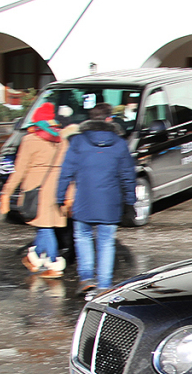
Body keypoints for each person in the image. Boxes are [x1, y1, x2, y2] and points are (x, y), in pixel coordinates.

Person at [57, 107, 137, 298]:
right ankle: (104, 284)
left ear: (90, 119)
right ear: (109, 119)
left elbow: (66, 171)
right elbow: (128, 175)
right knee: (106, 242)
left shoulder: (78, 141)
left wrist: (59, 196)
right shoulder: (119, 143)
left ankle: (86, 279)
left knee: (83, 237)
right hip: (110, 201)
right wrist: (130, 200)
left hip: (84, 200)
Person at [0, 103, 69, 278]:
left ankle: (53, 262)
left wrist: (7, 192)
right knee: (44, 226)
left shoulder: (30, 140)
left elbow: (20, 169)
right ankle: (36, 257)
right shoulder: (63, 140)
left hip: (37, 190)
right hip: (58, 189)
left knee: (44, 227)